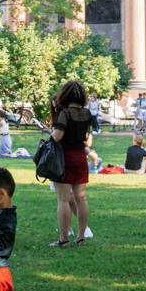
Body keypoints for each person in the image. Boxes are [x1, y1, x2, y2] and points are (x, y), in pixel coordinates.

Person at [49, 80, 97, 246]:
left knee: (63, 200)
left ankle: (64, 240)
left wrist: (52, 131)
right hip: (80, 157)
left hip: (65, 158)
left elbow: (57, 137)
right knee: (81, 199)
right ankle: (81, 237)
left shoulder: (65, 113)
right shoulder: (87, 113)